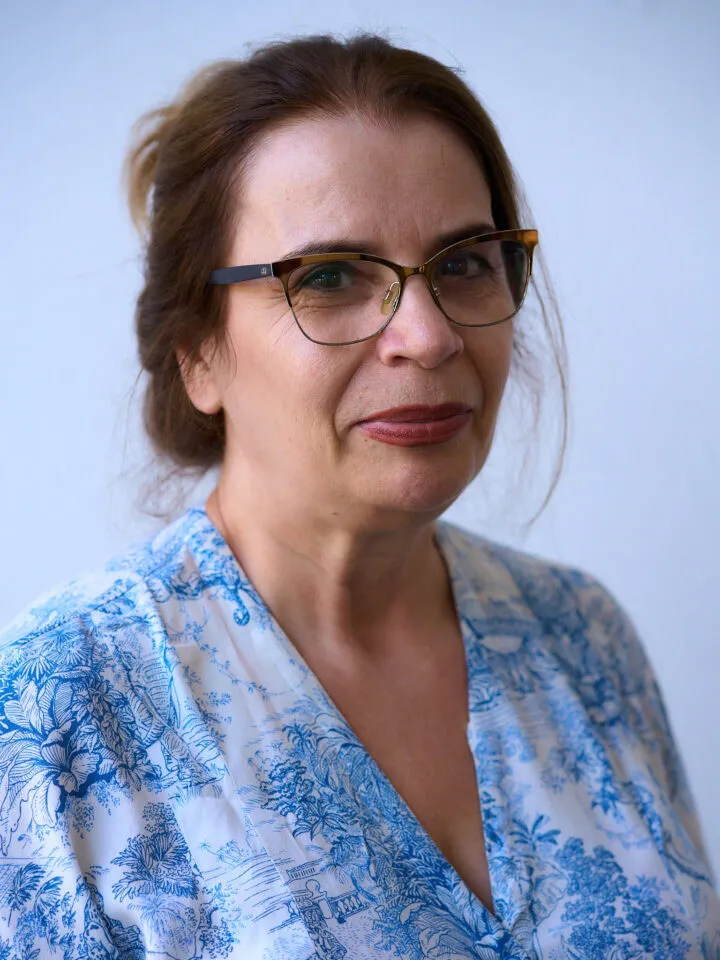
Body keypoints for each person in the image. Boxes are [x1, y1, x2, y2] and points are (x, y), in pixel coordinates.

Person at [0, 32, 716, 960]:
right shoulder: (55, 709)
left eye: (464, 263)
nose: (428, 335)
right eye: (331, 277)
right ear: (197, 354)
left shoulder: (581, 637)